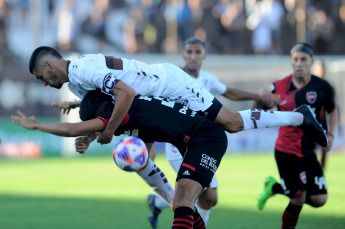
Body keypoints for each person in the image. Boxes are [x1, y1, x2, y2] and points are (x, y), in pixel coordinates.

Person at [28, 46, 328, 150]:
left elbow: (126, 92)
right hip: (155, 99)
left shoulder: (81, 69)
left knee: (232, 123)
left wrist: (104, 132)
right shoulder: (79, 84)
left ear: (49, 65)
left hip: (170, 86)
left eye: (41, 77)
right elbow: (110, 105)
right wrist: (92, 131)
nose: (43, 84)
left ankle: (299, 116)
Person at [12, 90, 229, 229]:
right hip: (195, 140)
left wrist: (37, 126)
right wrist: (89, 135)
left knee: (181, 198)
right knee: (182, 201)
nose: (100, 127)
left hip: (205, 138)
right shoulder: (127, 105)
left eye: (97, 124)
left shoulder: (118, 114)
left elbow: (72, 129)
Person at [147, 37, 282, 228]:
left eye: (197, 52)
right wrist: (149, 144)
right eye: (189, 52)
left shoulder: (207, 78)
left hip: (201, 144)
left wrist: (258, 97)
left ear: (204, 55)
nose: (193, 56)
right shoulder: (173, 77)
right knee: (196, 196)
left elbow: (229, 92)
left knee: (208, 198)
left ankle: (157, 203)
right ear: (183, 54)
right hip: (179, 148)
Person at [253, 43, 337, 229]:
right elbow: (255, 109)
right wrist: (261, 96)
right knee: (299, 197)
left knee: (319, 199)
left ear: (311, 62)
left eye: (303, 60)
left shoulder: (323, 87)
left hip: (308, 152)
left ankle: (274, 187)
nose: (299, 63)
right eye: (295, 59)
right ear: (291, 61)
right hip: (286, 151)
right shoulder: (279, 86)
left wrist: (330, 134)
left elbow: (333, 110)